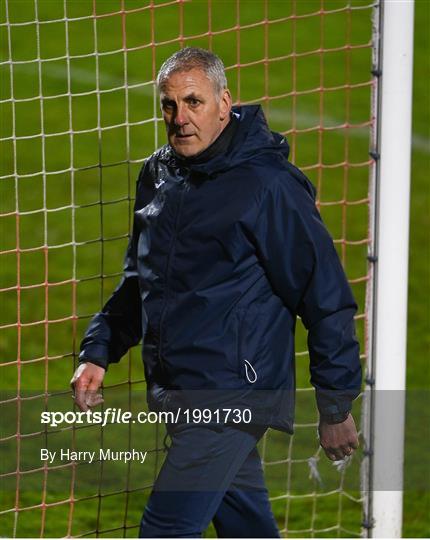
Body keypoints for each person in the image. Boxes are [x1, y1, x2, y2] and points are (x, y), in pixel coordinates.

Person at [71, 47, 361, 538]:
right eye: (169, 104)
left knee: (165, 529)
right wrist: (100, 349)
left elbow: (324, 295)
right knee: (246, 527)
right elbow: (142, 281)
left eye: (194, 102)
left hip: (231, 392)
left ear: (225, 103)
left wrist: (335, 407)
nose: (180, 118)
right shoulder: (159, 175)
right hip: (180, 385)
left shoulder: (268, 186)